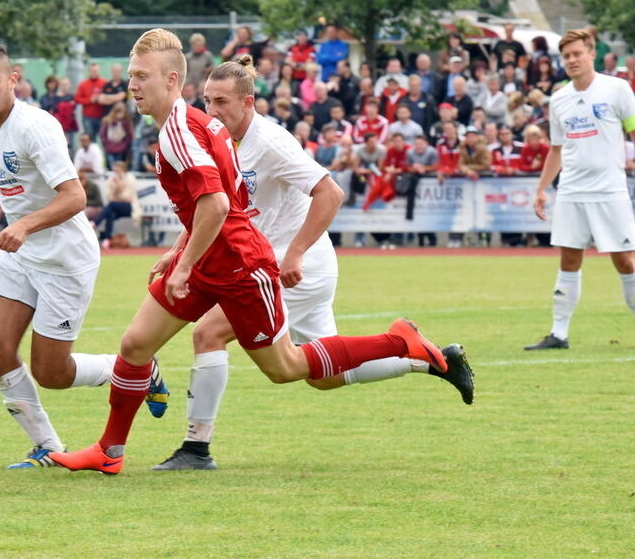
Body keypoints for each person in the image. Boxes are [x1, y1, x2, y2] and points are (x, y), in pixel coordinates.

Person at [50, 29, 452, 474]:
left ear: (171, 80)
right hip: (209, 258)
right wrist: (181, 251)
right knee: (136, 343)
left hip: (243, 266)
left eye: (141, 76)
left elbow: (221, 204)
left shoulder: (184, 132)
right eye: (131, 75)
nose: (132, 85)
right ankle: (111, 451)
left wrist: (184, 264)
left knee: (287, 367)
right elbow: (231, 197)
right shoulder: (202, 128)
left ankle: (400, 342)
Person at [152, 56, 473, 469]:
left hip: (294, 269)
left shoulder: (270, 142)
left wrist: (297, 251)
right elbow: (215, 206)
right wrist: (178, 248)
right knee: (325, 377)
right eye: (208, 101)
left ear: (248, 103)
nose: (212, 111)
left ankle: (196, 448)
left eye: (222, 103)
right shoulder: (218, 139)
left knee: (208, 334)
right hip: (276, 266)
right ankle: (427, 359)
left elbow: (331, 193)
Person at [0, 42, 165, 469]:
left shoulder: (36, 126)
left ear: (13, 79)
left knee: (52, 373)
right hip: (19, 254)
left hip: (64, 258)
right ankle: (45, 445)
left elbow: (76, 197)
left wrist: (23, 225)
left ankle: (138, 369)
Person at [527, 30, 635, 350]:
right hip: (572, 190)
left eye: (577, 53)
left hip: (609, 190)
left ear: (591, 54)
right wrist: (541, 189)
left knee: (626, 262)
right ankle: (559, 333)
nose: (572, 60)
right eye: (566, 56)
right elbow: (556, 150)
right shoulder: (559, 99)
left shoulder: (617, 89)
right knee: (569, 259)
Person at [94, 160, 141, 248]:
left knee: (111, 205)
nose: (116, 173)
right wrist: (117, 191)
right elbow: (110, 197)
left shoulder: (130, 178)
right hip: (117, 208)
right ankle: (107, 240)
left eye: (118, 171)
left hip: (130, 208)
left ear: (123, 170)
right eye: (115, 171)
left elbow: (128, 198)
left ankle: (95, 224)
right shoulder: (111, 180)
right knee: (109, 214)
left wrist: (119, 186)